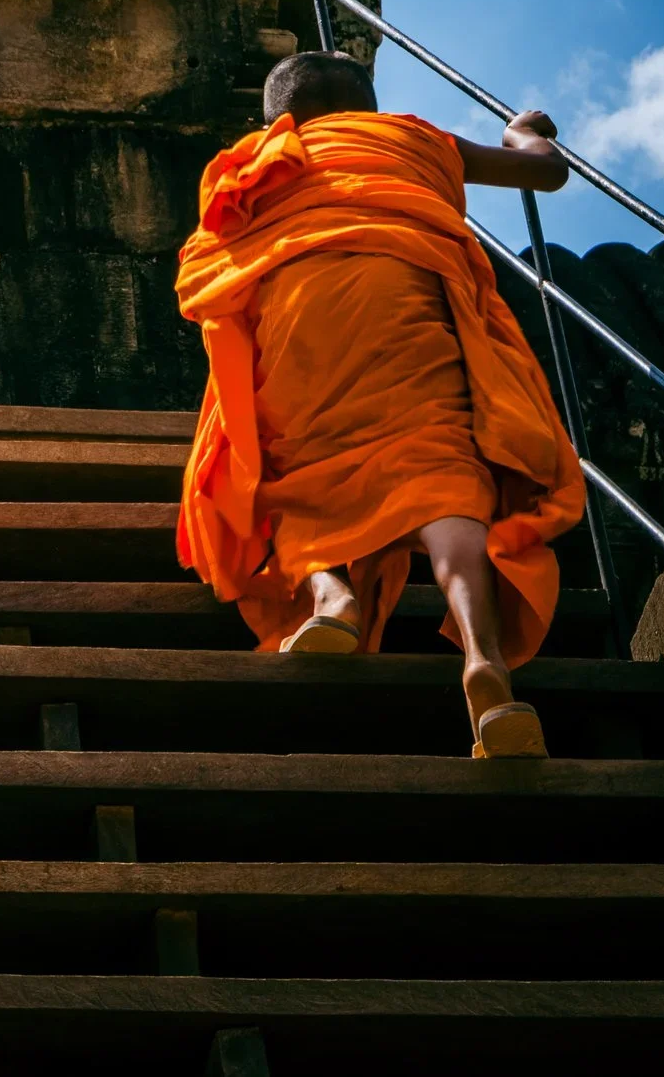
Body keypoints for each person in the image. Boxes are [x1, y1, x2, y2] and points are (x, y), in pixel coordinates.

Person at [175, 50, 585, 759]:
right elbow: (548, 170)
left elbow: (221, 275)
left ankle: (332, 597)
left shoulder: (257, 163)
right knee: (442, 474)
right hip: (405, 303)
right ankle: (485, 660)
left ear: (277, 119)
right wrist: (521, 130)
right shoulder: (414, 137)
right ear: (367, 108)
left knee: (287, 463)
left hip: (298, 313)